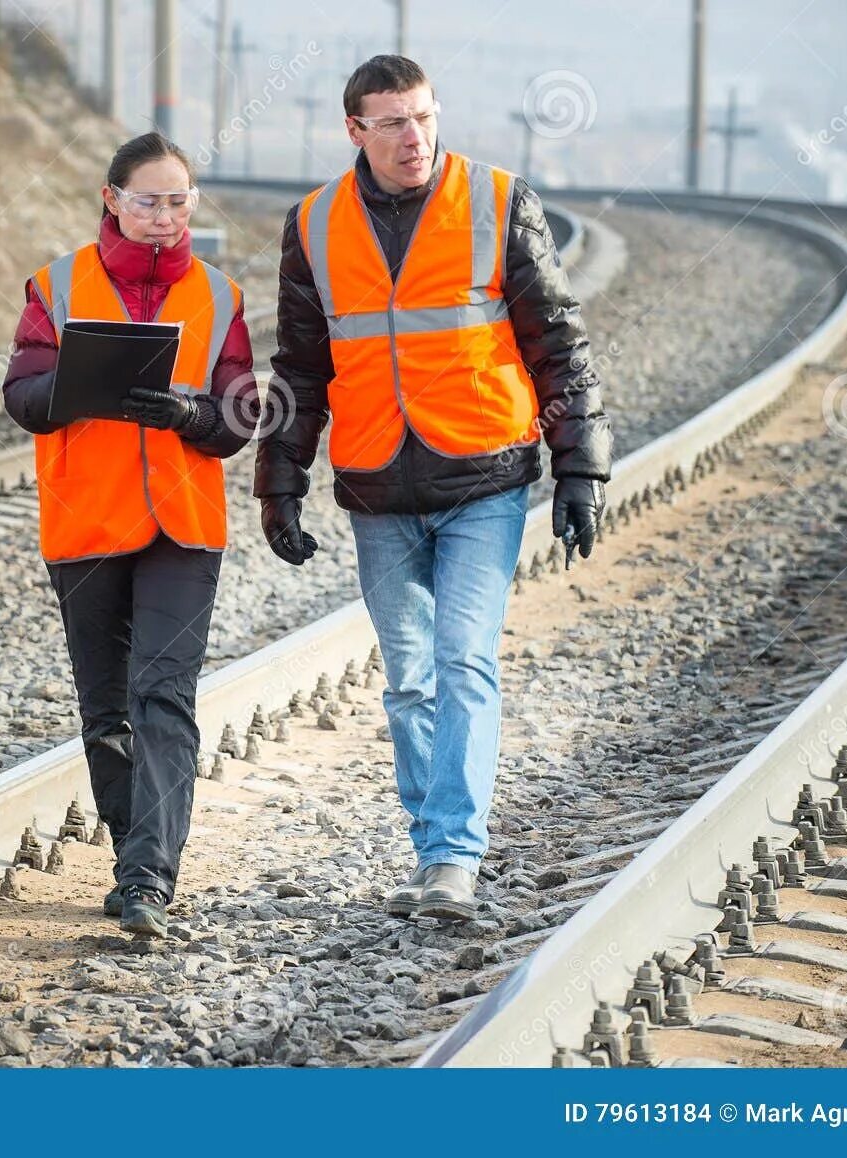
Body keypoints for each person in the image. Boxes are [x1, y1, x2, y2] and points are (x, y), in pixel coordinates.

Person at [254, 56, 612, 921]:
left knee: (462, 660)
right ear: (356, 132)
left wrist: (579, 466)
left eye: (422, 117)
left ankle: (454, 856)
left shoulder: (497, 199)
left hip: (484, 473)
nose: (413, 137)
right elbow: (301, 367)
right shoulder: (313, 225)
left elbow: (557, 341)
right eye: (392, 123)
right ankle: (431, 850)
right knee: (408, 677)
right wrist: (280, 482)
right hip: (378, 481)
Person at [2, 132, 258, 938]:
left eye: (179, 201)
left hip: (183, 528)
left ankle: (151, 877)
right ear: (112, 198)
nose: (164, 215)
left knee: (164, 695)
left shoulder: (221, 296)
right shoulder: (58, 285)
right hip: (87, 521)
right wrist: (81, 387)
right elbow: (22, 395)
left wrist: (193, 415)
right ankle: (130, 856)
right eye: (148, 200)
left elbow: (243, 413)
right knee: (106, 706)